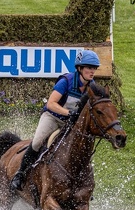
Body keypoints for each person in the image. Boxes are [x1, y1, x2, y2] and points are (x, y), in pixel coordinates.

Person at [9, 50, 100, 192]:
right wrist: (69, 113)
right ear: (79, 68)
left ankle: (82, 186)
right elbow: (51, 103)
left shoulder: (92, 86)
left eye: (94, 68)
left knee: (80, 149)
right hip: (52, 118)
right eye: (89, 67)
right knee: (38, 142)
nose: (92, 71)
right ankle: (20, 175)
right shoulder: (66, 81)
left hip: (70, 123)